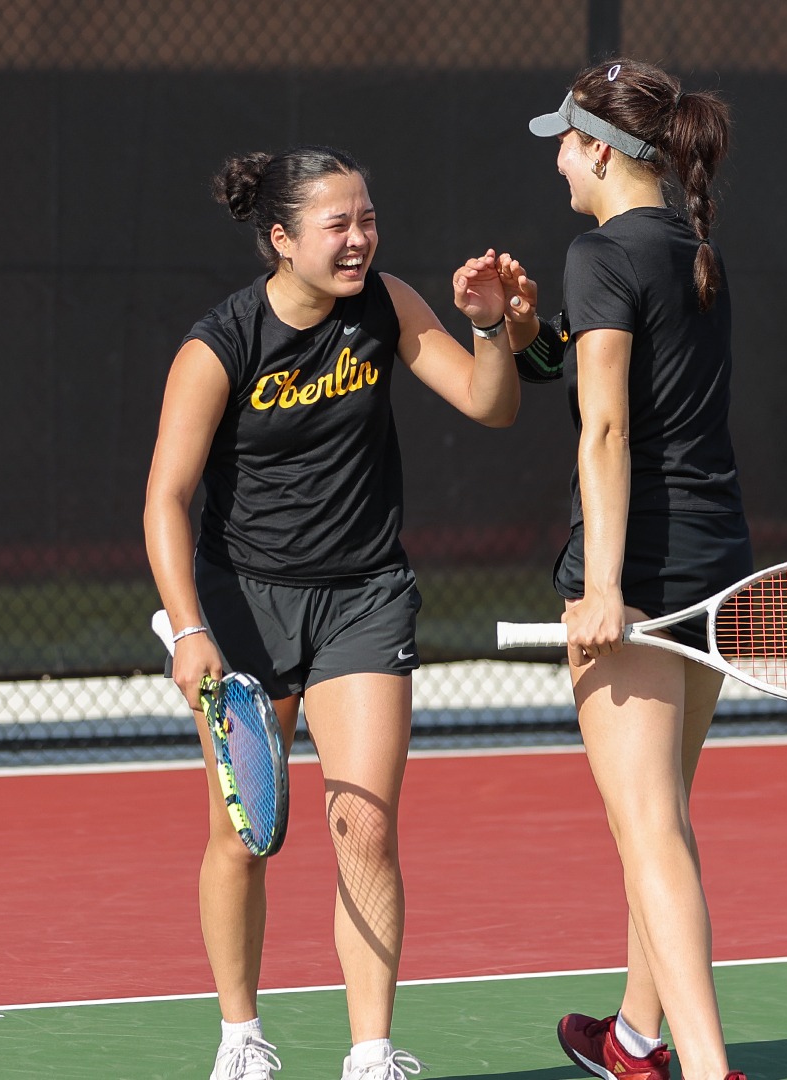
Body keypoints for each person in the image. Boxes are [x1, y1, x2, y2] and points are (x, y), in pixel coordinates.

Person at [143, 145, 520, 1080]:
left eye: (368, 219)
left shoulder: (386, 305)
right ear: (281, 239)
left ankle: (371, 1052)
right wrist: (189, 629)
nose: (359, 240)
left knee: (367, 825)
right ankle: (240, 1037)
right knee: (244, 835)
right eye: (337, 225)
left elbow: (490, 404)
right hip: (244, 606)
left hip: (363, 595)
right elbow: (164, 498)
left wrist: (492, 329)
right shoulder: (218, 345)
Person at [494, 59, 752, 1080]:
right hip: (716, 559)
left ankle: (705, 1066)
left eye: (566, 139)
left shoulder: (598, 251)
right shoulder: (696, 249)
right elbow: (603, 373)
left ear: (601, 148)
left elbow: (606, 431)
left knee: (648, 831)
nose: (557, 159)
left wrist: (602, 590)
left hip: (638, 570)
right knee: (665, 826)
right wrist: (521, 336)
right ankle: (636, 1040)